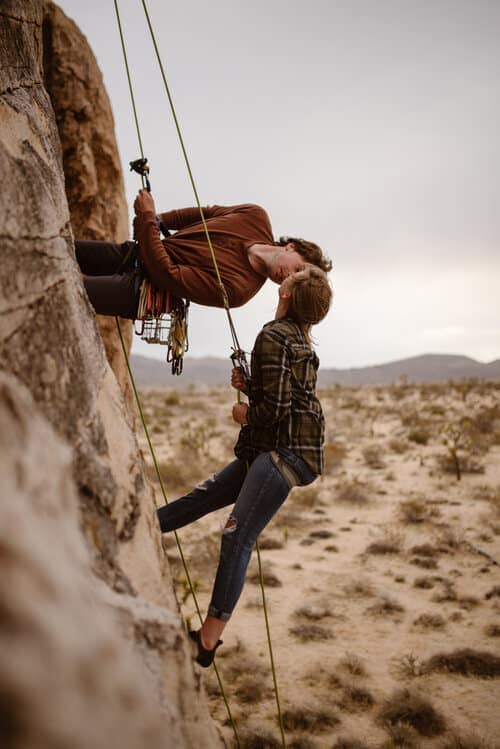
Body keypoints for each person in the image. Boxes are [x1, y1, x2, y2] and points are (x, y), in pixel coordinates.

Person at [156, 266, 332, 667]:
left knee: (237, 537)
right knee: (206, 495)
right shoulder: (298, 338)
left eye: (290, 279)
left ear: (287, 295)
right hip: (284, 448)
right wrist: (252, 386)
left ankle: (206, 641)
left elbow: (276, 409)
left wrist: (245, 412)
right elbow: (287, 394)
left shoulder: (273, 335)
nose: (284, 278)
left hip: (284, 452)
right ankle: (145, 526)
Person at [74, 189, 332, 318]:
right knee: (62, 251)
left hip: (139, 292)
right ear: (292, 246)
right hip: (134, 253)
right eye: (298, 269)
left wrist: (146, 220)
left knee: (68, 291)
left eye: (294, 282)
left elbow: (168, 275)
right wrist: (157, 217)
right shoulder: (255, 217)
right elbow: (204, 213)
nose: (289, 278)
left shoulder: (238, 290)